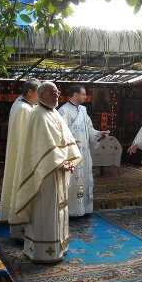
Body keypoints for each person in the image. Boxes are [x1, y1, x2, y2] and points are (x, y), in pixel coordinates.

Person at [14, 82, 82, 264]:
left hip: (57, 171)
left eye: (58, 92)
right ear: (41, 95)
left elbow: (65, 139)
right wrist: (62, 163)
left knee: (57, 208)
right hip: (44, 172)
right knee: (46, 210)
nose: (57, 95)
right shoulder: (37, 115)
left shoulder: (54, 113)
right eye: (53, 93)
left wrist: (68, 160)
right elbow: (41, 147)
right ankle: (43, 251)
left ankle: (59, 246)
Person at [58, 84, 108, 217]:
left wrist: (98, 134)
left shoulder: (84, 110)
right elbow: (62, 133)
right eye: (83, 94)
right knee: (74, 181)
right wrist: (74, 143)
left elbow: (89, 128)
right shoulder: (63, 111)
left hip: (85, 153)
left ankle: (83, 209)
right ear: (75, 95)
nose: (86, 97)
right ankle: (73, 211)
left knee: (84, 179)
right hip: (72, 154)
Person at [0, 78, 40, 233]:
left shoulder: (19, 103)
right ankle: (20, 219)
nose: (40, 97)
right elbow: (29, 137)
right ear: (30, 92)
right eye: (38, 93)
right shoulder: (24, 109)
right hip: (23, 155)